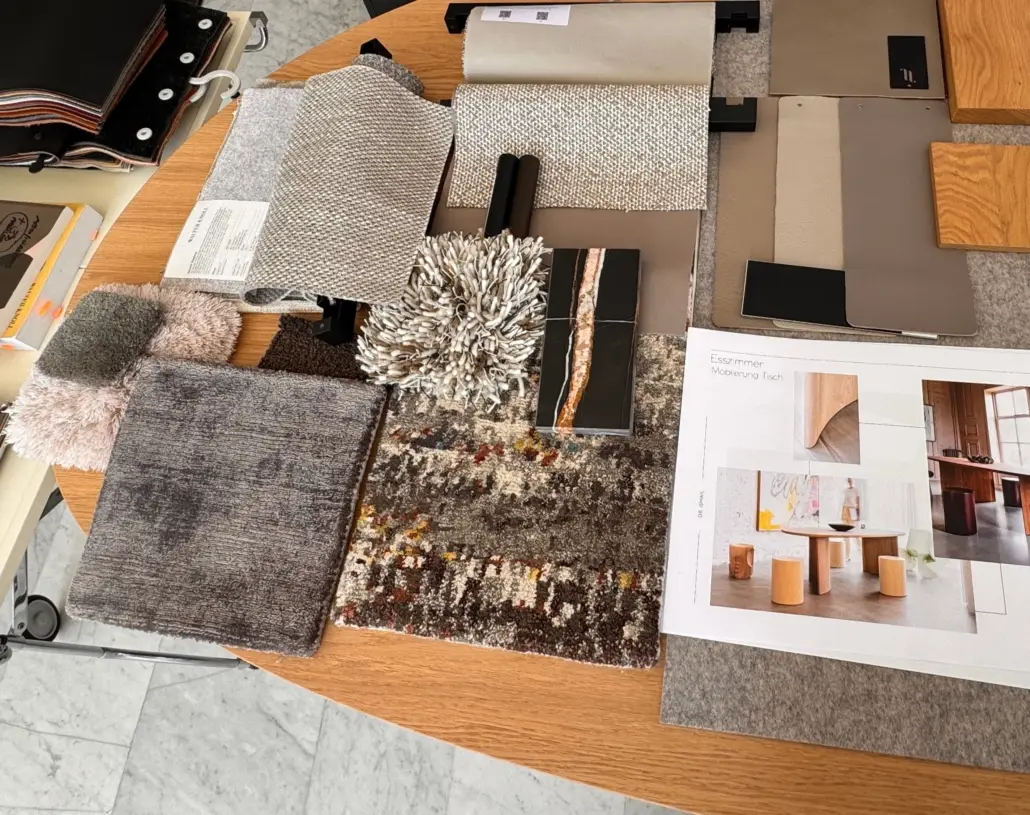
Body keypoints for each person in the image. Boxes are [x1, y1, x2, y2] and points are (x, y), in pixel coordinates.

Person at [841, 478, 861, 561]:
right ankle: (847, 556)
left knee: (856, 534)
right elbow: (844, 502)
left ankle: (861, 552)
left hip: (852, 511)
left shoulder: (856, 490)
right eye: (848, 480)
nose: (849, 481)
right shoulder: (845, 490)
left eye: (851, 480)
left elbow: (858, 503)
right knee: (846, 535)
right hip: (845, 510)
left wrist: (858, 515)